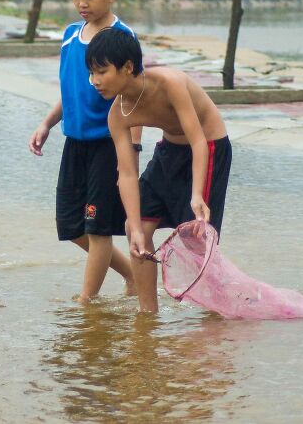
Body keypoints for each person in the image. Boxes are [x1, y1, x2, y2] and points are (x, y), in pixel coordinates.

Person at [86, 27, 232, 312]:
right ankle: (147, 314)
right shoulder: (117, 114)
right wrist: (136, 228)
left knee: (197, 242)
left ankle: (219, 309)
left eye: (102, 72)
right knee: (134, 227)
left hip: (209, 146)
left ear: (127, 67)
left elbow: (198, 140)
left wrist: (196, 196)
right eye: (92, 73)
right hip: (169, 151)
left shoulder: (169, 83)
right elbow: (126, 174)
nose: (95, 81)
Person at [28, 0, 140, 302]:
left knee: (98, 228)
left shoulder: (123, 39)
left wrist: (132, 152)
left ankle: (85, 304)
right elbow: (70, 90)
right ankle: (131, 276)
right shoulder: (70, 35)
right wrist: (47, 122)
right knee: (72, 226)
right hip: (74, 144)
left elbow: (136, 98)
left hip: (108, 146)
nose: (81, 3)